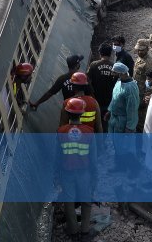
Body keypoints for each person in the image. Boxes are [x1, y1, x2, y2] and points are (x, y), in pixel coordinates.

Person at [56, 98, 97, 240]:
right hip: (84, 173)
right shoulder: (89, 132)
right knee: (86, 201)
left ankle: (73, 232)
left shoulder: (61, 132)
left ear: (67, 113)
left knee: (69, 202)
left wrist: (56, 174)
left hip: (67, 173)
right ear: (82, 114)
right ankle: (85, 232)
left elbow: (57, 156)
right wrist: (95, 176)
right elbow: (93, 158)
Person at [106, 62, 139, 168]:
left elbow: (132, 109)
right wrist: (109, 111)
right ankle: (119, 165)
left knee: (126, 146)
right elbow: (114, 98)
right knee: (117, 144)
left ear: (121, 73)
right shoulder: (119, 82)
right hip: (115, 119)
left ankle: (130, 168)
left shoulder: (130, 88)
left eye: (114, 73)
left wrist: (130, 126)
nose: (112, 74)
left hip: (124, 121)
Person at [87, 43, 117, 114]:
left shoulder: (93, 65)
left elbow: (87, 80)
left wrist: (91, 93)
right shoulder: (114, 66)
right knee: (105, 120)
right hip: (109, 100)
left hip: (95, 98)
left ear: (100, 53)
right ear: (110, 54)